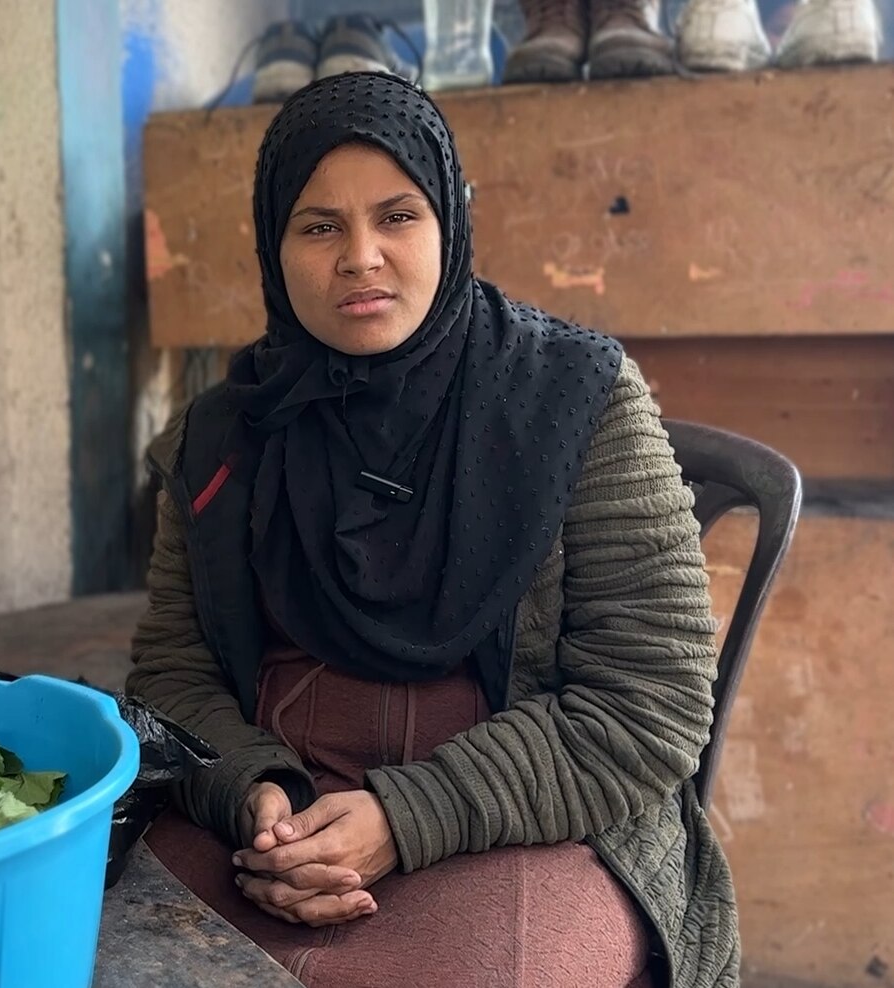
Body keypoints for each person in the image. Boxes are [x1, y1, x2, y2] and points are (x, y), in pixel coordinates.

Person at [125, 71, 738, 988]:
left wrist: (407, 816)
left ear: (448, 223)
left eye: (397, 217)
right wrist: (258, 794)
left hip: (524, 818)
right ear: (273, 245)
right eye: (319, 225)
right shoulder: (222, 435)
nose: (360, 256)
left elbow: (649, 702)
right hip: (273, 827)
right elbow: (172, 675)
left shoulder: (576, 403)